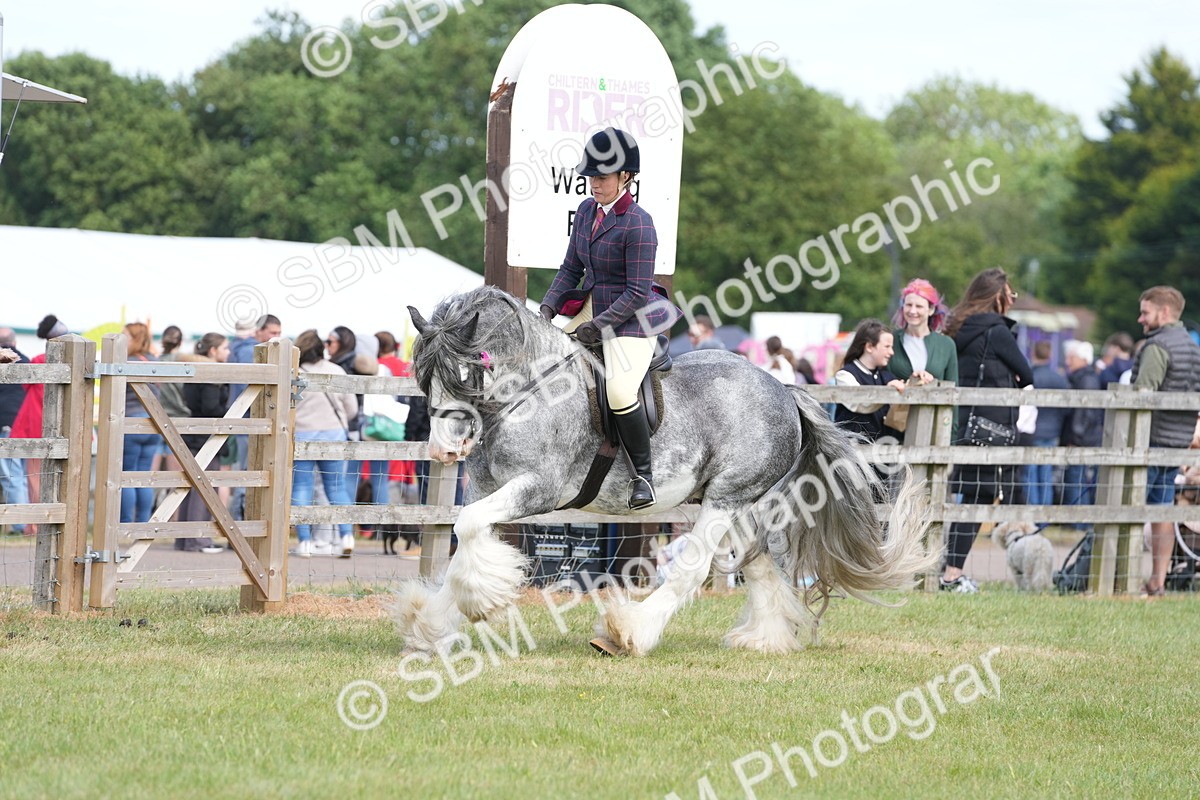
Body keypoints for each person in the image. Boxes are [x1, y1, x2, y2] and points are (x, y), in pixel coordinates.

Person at [538, 127, 679, 509]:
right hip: (592, 304)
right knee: (544, 362)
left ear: (625, 178)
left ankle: (644, 478)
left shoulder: (639, 223)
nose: (593, 185)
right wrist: (548, 309)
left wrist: (596, 328)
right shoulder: (586, 213)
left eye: (600, 178)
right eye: (590, 177)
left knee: (619, 392)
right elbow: (570, 269)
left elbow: (636, 292)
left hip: (632, 317)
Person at [940, 268, 1033, 593]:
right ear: (998, 297)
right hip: (990, 429)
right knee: (977, 499)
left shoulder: (954, 327)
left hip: (959, 424)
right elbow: (1026, 372)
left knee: (955, 496)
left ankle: (941, 567)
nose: (1013, 300)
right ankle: (951, 574)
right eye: (1012, 295)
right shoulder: (997, 331)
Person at [1132, 286, 1200, 596]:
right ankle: (1158, 580)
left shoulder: (1158, 346)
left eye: (1145, 312)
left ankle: (1124, 576)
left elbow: (1142, 394)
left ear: (1164, 312)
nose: (1140, 319)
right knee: (1163, 511)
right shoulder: (1193, 347)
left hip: (1150, 441)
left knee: (1129, 510)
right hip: (1177, 443)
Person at [292, 330, 358, 558]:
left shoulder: (295, 373)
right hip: (334, 434)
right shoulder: (336, 370)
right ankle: (347, 536)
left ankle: (305, 542)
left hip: (302, 434)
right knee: (337, 487)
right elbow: (352, 409)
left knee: (301, 487)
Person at [11, 314, 70, 533]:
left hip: (36, 420)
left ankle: (34, 523)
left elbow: (27, 387)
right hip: (64, 421)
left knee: (34, 474)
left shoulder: (37, 361)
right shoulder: (73, 361)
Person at [175, 332, 231, 554]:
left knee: (192, 488)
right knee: (205, 488)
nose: (229, 352)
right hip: (207, 436)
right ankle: (197, 540)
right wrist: (231, 414)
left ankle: (184, 539)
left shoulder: (194, 370)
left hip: (194, 433)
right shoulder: (212, 376)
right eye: (225, 348)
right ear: (213, 351)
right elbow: (210, 408)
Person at [227, 314, 281, 520]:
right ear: (259, 331)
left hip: (246, 419)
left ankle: (242, 525)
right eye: (272, 332)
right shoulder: (250, 351)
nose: (276, 337)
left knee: (248, 472)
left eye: (278, 333)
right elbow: (247, 386)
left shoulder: (238, 348)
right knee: (247, 472)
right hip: (249, 419)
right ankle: (241, 525)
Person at [832, 319, 907, 442]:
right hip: (851, 457)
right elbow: (861, 404)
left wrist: (917, 381)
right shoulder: (845, 376)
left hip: (882, 456)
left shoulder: (887, 377)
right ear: (869, 347)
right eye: (887, 347)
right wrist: (887, 392)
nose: (891, 352)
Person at [119, 323, 162, 525]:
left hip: (131, 422)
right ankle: (143, 523)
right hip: (153, 423)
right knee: (144, 476)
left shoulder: (126, 361)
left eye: (125, 335)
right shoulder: (155, 360)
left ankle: (126, 524)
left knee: (127, 476)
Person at [1022, 340, 1069, 511]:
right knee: (1046, 475)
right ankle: (1045, 512)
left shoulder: (1030, 376)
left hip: (1033, 430)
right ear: (1050, 355)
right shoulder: (1059, 378)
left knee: (1030, 475)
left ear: (1034, 353)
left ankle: (1033, 512)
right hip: (1052, 432)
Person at [1061, 339, 1103, 528]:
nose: (1068, 361)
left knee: (1076, 479)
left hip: (1081, 439)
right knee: (1077, 479)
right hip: (1084, 437)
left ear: (1083, 359)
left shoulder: (1085, 380)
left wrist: (1075, 438)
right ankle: (1078, 522)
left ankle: (1079, 523)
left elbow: (1084, 412)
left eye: (1072, 357)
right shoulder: (1087, 377)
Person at [888, 278, 958, 386]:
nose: (912, 311)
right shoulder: (891, 340)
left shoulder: (946, 345)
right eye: (908, 305)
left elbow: (953, 389)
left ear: (931, 310)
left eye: (919, 306)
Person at [0, 327, 30, 534]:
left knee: (11, 475)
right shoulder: (26, 361)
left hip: (4, 424)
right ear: (15, 342)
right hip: (22, 424)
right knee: (20, 474)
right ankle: (24, 522)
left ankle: (20, 525)